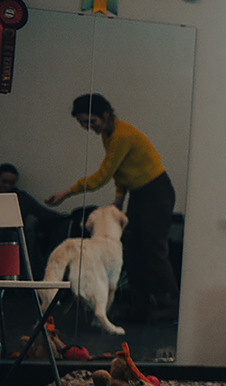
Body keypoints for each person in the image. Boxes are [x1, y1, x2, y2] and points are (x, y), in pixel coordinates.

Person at [45, 93, 180, 322]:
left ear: (105, 114)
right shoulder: (108, 135)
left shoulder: (121, 136)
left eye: (91, 121)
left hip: (157, 193)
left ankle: (172, 305)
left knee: (154, 250)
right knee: (133, 249)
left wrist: (67, 193)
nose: (89, 127)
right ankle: (143, 306)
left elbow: (102, 176)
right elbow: (121, 172)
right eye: (83, 123)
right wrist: (119, 199)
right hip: (140, 194)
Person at [0, 162, 68, 275]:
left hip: (12, 244)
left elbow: (41, 212)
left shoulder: (20, 198)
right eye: (4, 182)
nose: (7, 186)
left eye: (11, 183)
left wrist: (65, 218)